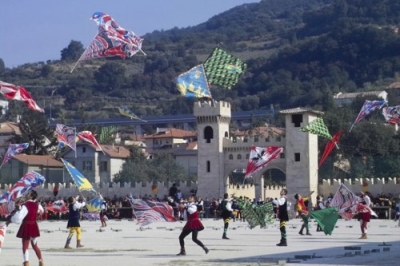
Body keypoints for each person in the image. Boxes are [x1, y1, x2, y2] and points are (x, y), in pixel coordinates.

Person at [7, 190, 44, 266]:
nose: (26, 194)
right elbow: (41, 211)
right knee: (35, 245)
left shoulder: (25, 205)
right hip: (34, 226)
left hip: (27, 226)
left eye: (28, 194)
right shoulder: (37, 205)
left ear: (31, 196)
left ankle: (26, 263)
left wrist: (11, 219)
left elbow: (19, 217)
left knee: (25, 246)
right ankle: (41, 261)